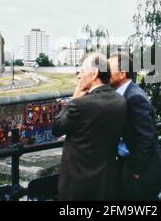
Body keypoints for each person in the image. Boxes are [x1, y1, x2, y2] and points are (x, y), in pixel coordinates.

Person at [52, 53, 126, 200]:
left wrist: (73, 99)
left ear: (94, 74)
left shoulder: (80, 104)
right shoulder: (120, 100)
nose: (79, 76)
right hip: (106, 183)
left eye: (82, 71)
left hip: (78, 186)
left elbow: (57, 128)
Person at [108, 52, 161, 200]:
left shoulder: (134, 97)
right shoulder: (125, 94)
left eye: (108, 69)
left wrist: (133, 170)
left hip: (141, 175)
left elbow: (145, 139)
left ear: (122, 73)